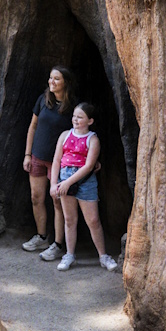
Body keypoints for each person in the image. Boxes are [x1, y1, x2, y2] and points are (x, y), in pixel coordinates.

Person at [49, 102, 118, 272]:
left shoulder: (92, 139)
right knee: (70, 219)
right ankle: (69, 254)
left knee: (93, 220)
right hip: (64, 178)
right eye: (74, 116)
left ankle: (103, 256)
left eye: (80, 117)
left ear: (90, 121)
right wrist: (54, 184)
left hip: (84, 181)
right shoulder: (65, 135)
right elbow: (57, 160)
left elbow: (89, 166)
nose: (76, 120)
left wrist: (67, 183)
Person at [21, 66, 74, 260]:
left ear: (66, 82)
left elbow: (78, 135)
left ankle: (58, 244)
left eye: (57, 79)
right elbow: (33, 126)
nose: (52, 82)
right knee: (36, 197)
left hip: (58, 162)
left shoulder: (72, 107)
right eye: (50, 78)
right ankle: (42, 237)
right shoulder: (43, 100)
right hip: (37, 156)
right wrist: (28, 154)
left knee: (58, 202)